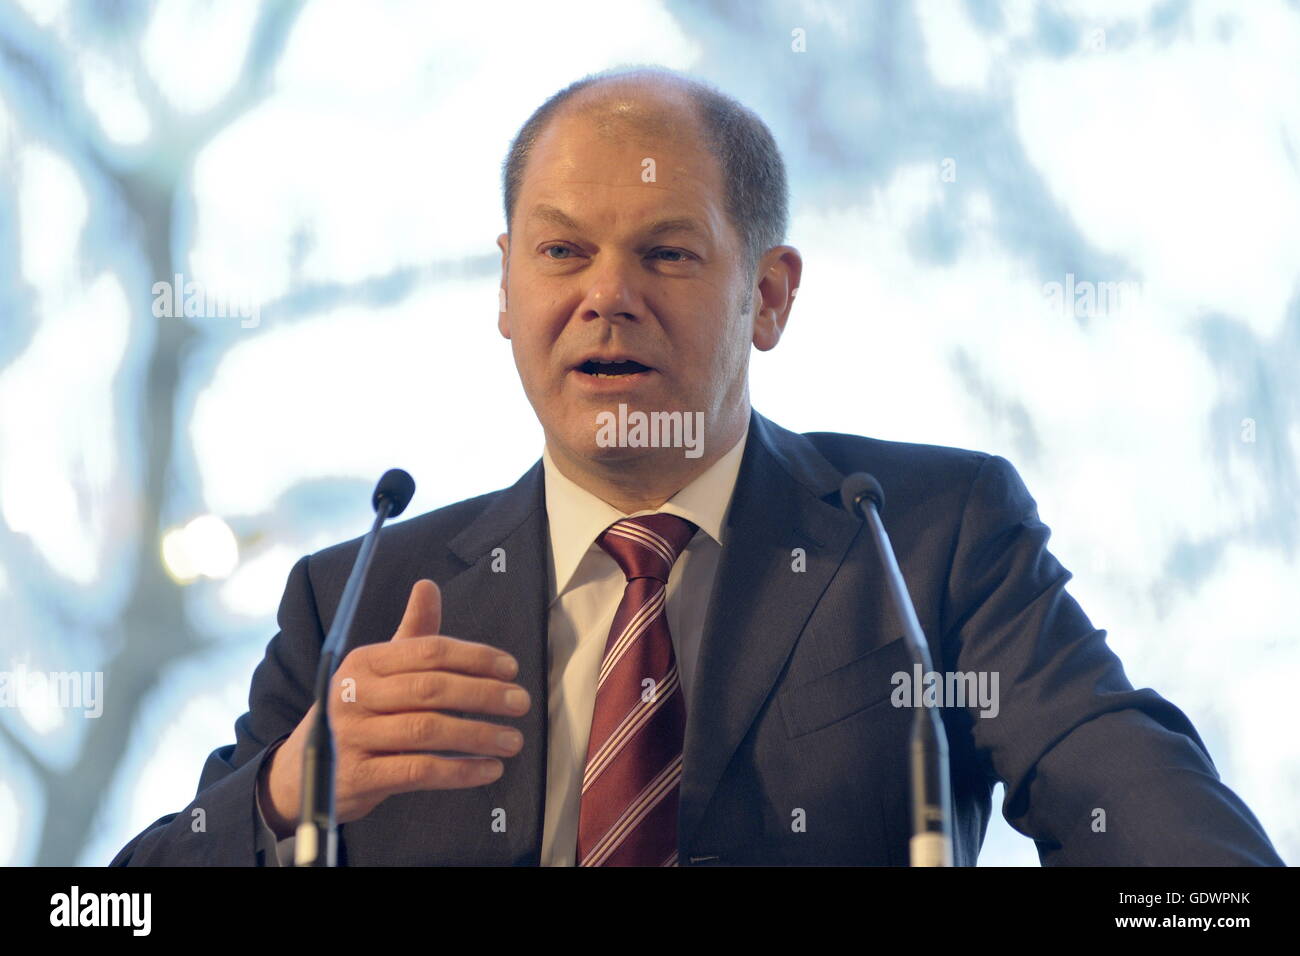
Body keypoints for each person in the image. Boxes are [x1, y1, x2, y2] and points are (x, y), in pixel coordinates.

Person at [111, 65, 1283, 867]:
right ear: (506, 290)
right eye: (561, 251)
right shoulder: (358, 591)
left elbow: (1179, 853)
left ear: (767, 296)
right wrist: (285, 795)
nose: (604, 296)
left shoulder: (928, 538)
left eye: (665, 254)